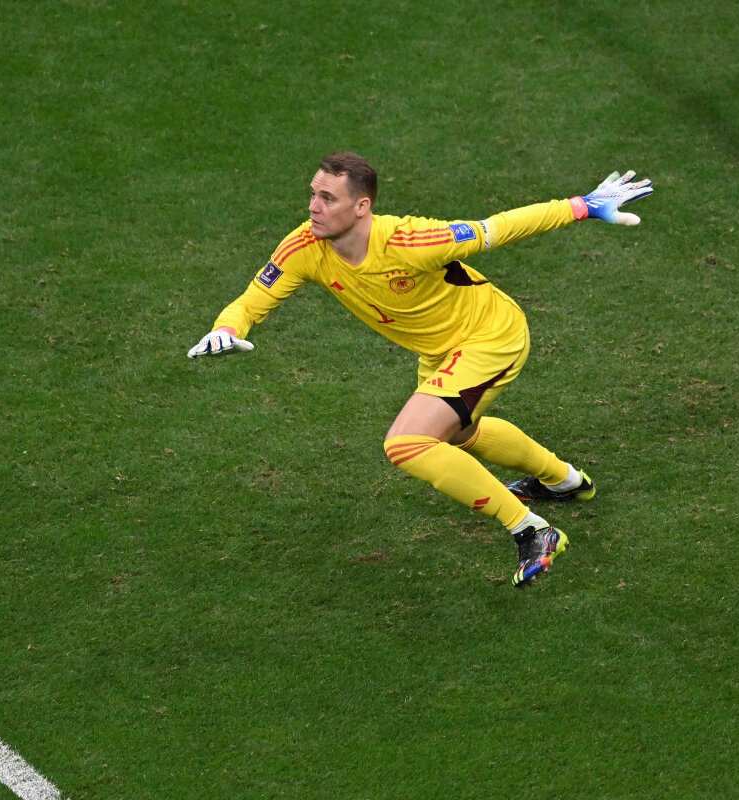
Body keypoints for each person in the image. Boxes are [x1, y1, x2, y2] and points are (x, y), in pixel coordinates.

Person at [188, 153, 653, 588]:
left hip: (490, 338)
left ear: (362, 206)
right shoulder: (306, 246)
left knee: (407, 443)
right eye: (313, 193)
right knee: (458, 437)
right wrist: (226, 328)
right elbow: (254, 298)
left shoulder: (410, 241)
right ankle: (565, 482)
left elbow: (498, 228)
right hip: (441, 352)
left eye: (327, 197)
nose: (313, 206)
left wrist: (581, 206)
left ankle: (531, 530)